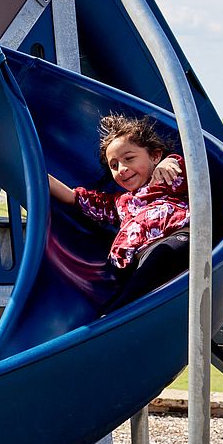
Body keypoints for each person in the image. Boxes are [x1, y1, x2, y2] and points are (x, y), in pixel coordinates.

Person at [48, 114, 190, 311]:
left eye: (129, 158)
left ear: (155, 156)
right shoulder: (119, 203)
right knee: (127, 278)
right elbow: (73, 197)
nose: (121, 169)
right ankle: (118, 311)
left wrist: (169, 161)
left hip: (176, 242)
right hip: (139, 261)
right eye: (114, 165)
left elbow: (187, 168)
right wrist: (35, 171)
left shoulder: (167, 181)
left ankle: (119, 310)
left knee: (161, 256)